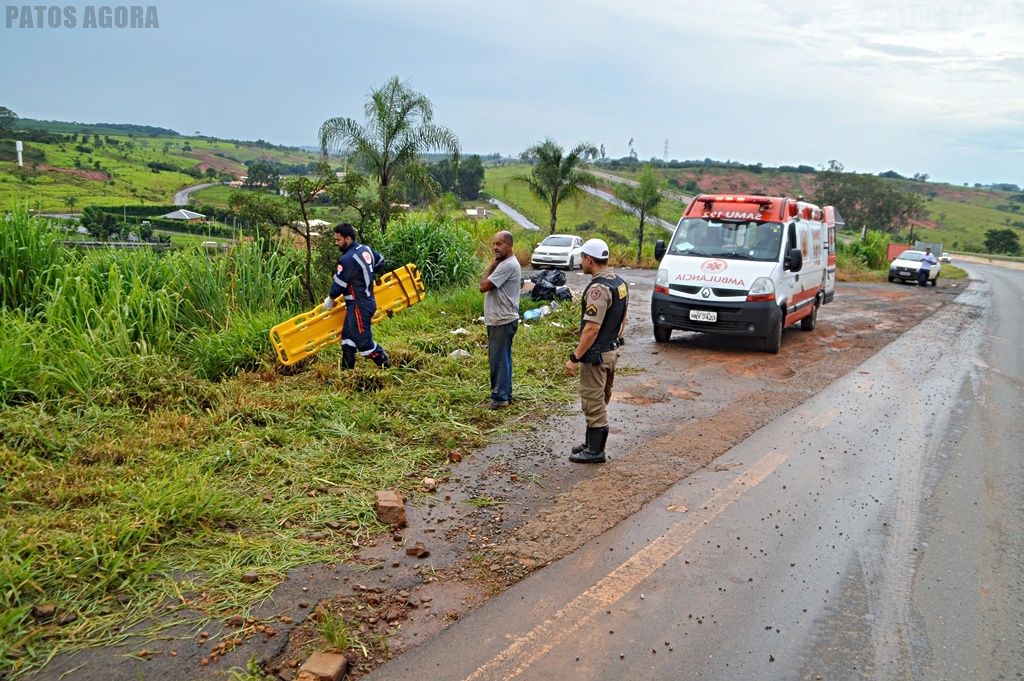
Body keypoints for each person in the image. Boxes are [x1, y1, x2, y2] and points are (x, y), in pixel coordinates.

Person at [565, 239, 629, 463]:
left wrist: (575, 357)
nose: (581, 262)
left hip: (597, 355)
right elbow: (624, 319)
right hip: (611, 351)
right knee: (600, 398)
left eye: (582, 258)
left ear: (589, 260)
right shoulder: (619, 283)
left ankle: (595, 451)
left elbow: (591, 328)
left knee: (593, 401)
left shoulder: (598, 289)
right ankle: (590, 443)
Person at [324, 223, 390, 369]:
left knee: (364, 344)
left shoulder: (346, 260)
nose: (336, 243)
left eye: (338, 240)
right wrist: (367, 275)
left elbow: (339, 285)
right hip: (364, 302)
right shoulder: (366, 249)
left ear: (348, 239)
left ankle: (387, 366)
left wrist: (330, 298)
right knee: (347, 340)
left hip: (359, 305)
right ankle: (347, 373)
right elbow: (380, 262)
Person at [479, 230, 521, 409]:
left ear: (509, 246)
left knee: (499, 359)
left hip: (502, 320)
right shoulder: (507, 263)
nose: (495, 248)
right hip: (501, 319)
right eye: (494, 244)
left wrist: (493, 263)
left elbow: (483, 286)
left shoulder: (507, 265)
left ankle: (500, 398)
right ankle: (506, 394)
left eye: (499, 244)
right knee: (503, 358)